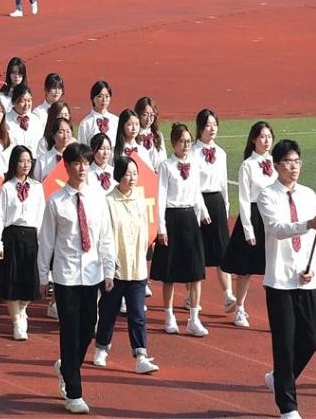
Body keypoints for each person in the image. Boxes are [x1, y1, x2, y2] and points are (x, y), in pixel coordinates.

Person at [37, 142, 115, 415]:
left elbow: (105, 236)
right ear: (67, 167)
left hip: (92, 273)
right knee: (69, 330)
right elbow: (47, 240)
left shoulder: (97, 198)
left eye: (86, 163)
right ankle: (74, 392)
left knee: (88, 328)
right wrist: (43, 276)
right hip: (66, 274)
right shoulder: (56, 201)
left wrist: (109, 269)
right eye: (77, 163)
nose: (82, 168)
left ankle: (67, 367)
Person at [259, 139, 316, 419]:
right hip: (280, 280)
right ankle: (288, 406)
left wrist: (314, 267)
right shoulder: (267, 195)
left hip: (307, 278)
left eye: (297, 161)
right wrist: (305, 224)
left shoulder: (309, 195)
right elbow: (277, 229)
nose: (294, 167)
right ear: (277, 165)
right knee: (284, 343)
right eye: (288, 162)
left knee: (311, 338)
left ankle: (279, 378)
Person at [92, 156, 159, 375]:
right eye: (128, 174)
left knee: (137, 313)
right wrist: (109, 263)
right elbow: (105, 235)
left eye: (135, 173)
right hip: (116, 268)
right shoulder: (108, 201)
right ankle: (101, 347)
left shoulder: (140, 199)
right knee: (108, 311)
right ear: (119, 175)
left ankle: (140, 356)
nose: (132, 178)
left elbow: (145, 230)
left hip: (137, 267)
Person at [150, 123, 210, 336]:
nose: (186, 145)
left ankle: (194, 318)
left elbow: (196, 192)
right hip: (172, 217)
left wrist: (203, 212)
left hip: (190, 218)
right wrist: (161, 228)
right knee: (169, 272)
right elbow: (160, 196)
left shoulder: (194, 163)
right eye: (182, 141)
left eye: (188, 141)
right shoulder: (166, 166)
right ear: (173, 143)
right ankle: (169, 316)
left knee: (195, 271)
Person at [221, 121, 277, 328]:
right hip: (254, 217)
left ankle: (276, 313)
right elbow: (244, 199)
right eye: (262, 136)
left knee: (273, 268)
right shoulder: (247, 165)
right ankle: (239, 309)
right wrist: (248, 229)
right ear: (254, 139)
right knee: (245, 269)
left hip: (272, 216)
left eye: (269, 136)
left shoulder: (276, 162)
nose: (266, 140)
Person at [0, 145, 44, 340]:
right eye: (22, 161)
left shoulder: (37, 187)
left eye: (29, 161)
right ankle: (17, 322)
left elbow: (41, 215)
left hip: (31, 236)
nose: (25, 165)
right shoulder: (6, 188)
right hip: (11, 236)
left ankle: (22, 309)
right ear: (14, 163)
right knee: (11, 280)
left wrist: (41, 239)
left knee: (30, 280)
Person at [191, 108, 236, 314]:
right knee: (196, 252)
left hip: (216, 202)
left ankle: (228, 296)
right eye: (208, 125)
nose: (212, 129)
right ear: (200, 128)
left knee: (222, 251)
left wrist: (225, 206)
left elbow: (224, 182)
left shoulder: (221, 153)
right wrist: (200, 209)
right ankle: (191, 297)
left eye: (215, 125)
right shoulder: (192, 153)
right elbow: (192, 185)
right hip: (197, 202)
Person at [78, 81, 118, 150]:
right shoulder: (86, 123)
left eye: (107, 96)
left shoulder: (116, 120)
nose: (104, 100)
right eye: (100, 96)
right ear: (93, 98)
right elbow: (82, 149)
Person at [6, 84, 43, 153]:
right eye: (22, 101)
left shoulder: (36, 120)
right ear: (14, 101)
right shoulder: (5, 120)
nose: (26, 105)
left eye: (29, 101)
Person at [135, 97, 167, 170]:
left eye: (152, 115)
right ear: (138, 114)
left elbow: (163, 159)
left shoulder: (158, 136)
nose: (149, 119)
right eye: (145, 115)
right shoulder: (133, 135)